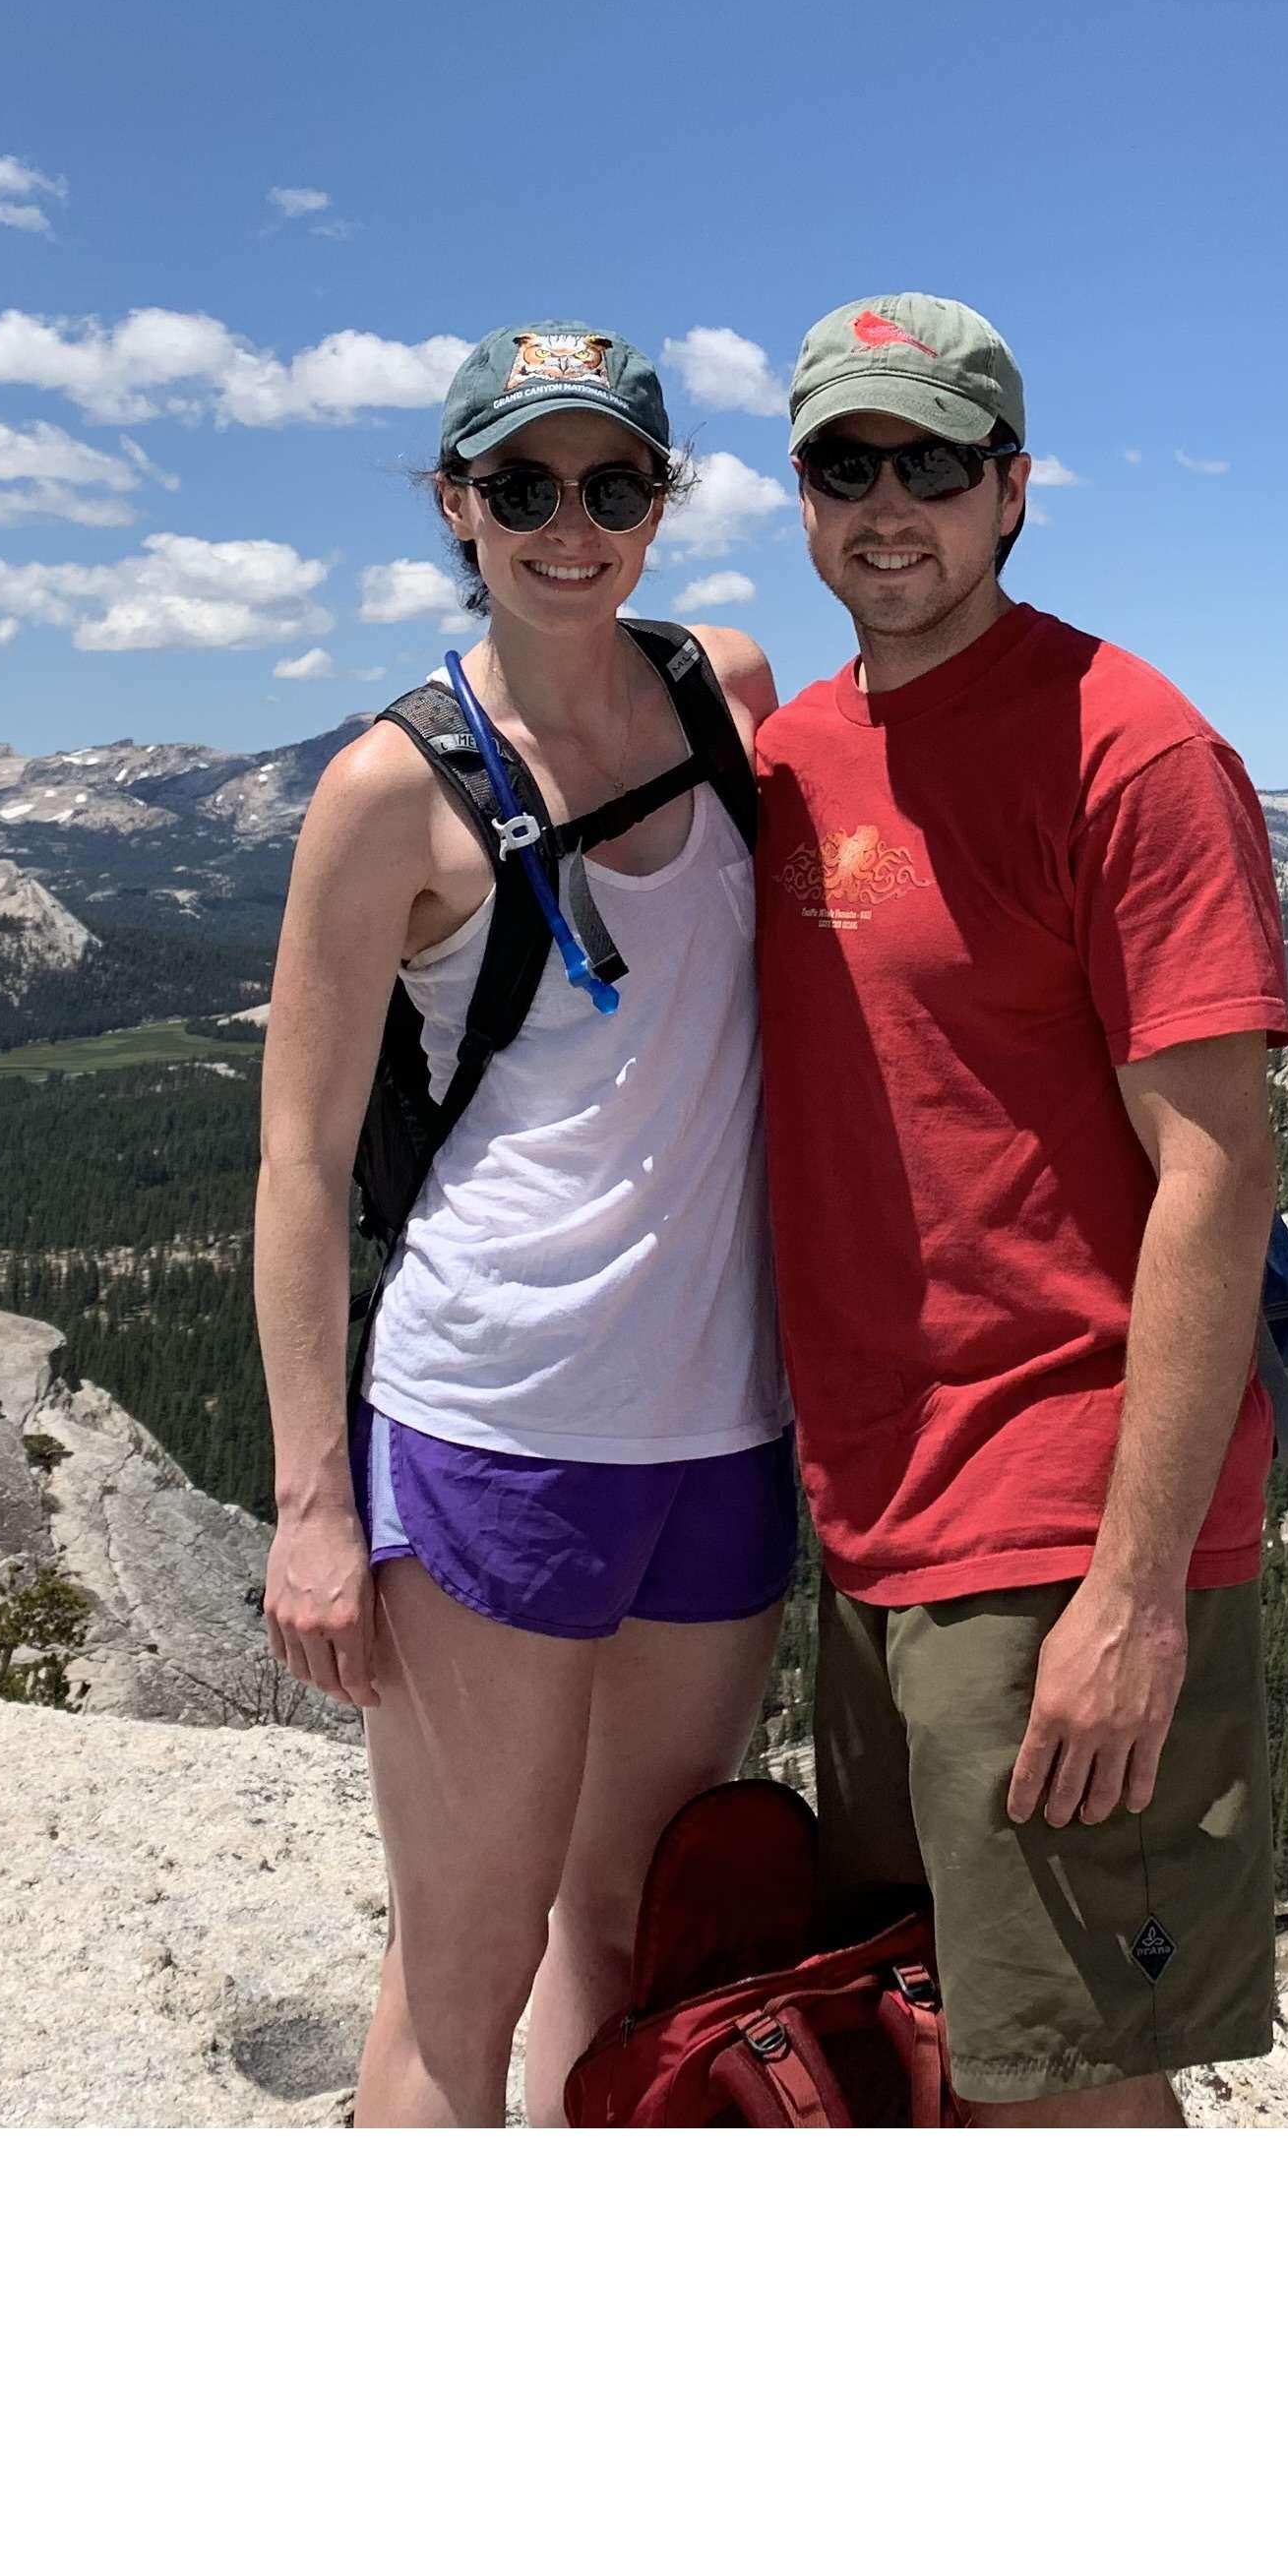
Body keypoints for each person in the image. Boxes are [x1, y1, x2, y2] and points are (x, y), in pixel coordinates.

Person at [754, 291, 1288, 2124]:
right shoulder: (795, 757)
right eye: (846, 462)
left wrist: (1135, 1595)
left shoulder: (1130, 749)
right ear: (801, 490)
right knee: (938, 2050)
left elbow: (1217, 1171)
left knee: (1064, 2094)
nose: (887, 502)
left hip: (1060, 1511)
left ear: (1013, 490)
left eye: (932, 463)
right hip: (882, 1520)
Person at [255, 325, 791, 2126]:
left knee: (632, 1935)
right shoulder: (389, 789)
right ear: (455, 507)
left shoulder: (729, 689)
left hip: (723, 1427)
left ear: (663, 503)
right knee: (460, 1979)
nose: (572, 525)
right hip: (498, 1426)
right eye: (523, 487)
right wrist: (315, 1502)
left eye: (615, 485)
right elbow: (299, 1162)